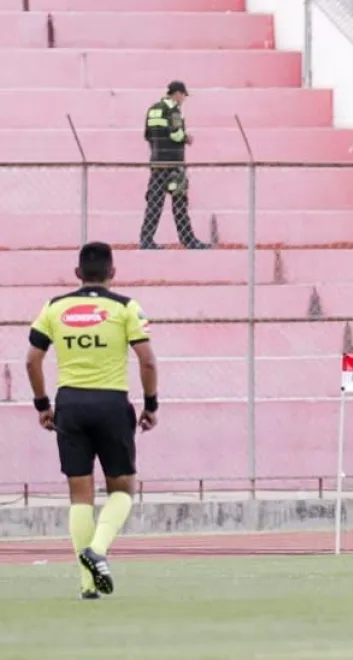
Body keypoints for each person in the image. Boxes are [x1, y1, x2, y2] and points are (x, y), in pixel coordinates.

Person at [25, 242, 159, 598]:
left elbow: (32, 360)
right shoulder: (126, 307)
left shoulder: (54, 307)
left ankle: (87, 585)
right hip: (111, 403)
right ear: (112, 273)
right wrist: (151, 404)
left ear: (77, 273)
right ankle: (97, 550)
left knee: (79, 496)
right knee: (123, 489)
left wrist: (42, 404)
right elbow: (147, 360)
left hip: (70, 404)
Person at [139, 80, 211, 250]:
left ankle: (146, 240)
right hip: (174, 164)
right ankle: (188, 240)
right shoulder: (173, 111)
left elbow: (147, 135)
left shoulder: (153, 109)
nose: (184, 99)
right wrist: (187, 138)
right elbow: (176, 134)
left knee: (154, 203)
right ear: (177, 94)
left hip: (157, 163)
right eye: (183, 95)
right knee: (179, 203)